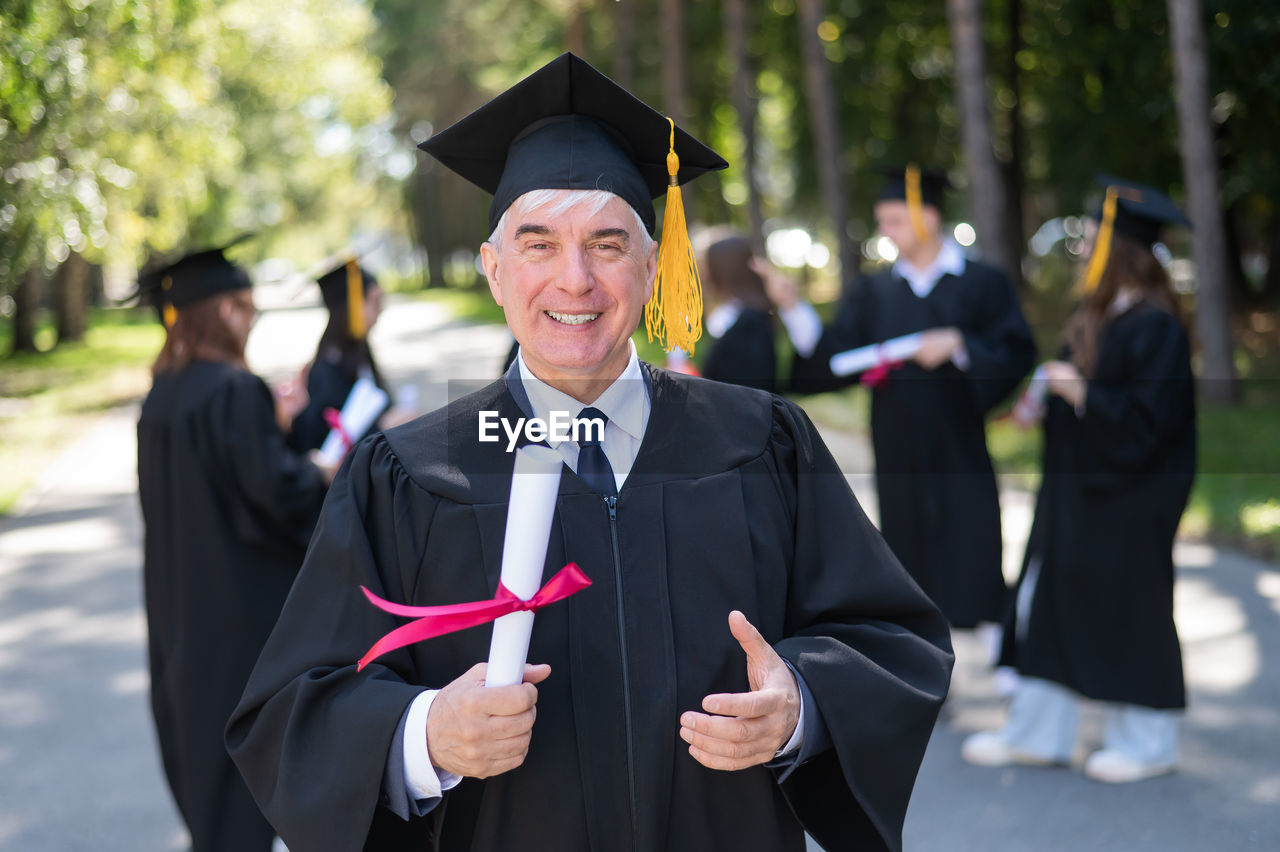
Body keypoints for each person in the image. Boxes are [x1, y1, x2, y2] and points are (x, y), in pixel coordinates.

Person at [227, 53, 952, 852]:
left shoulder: (760, 442)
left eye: (608, 244)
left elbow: (891, 639)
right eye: (538, 244)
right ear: (494, 272)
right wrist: (425, 734)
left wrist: (800, 707)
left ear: (652, 267)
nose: (575, 281)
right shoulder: (407, 473)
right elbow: (290, 711)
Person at [961, 177, 1196, 784]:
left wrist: (1082, 391)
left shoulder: (1156, 326)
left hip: (1130, 498)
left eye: (1091, 243)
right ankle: (1039, 733)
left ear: (1121, 252)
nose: (1082, 253)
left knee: (1130, 609)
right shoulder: (1095, 316)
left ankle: (1148, 743)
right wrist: (1046, 401)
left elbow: (1150, 425)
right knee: (1047, 599)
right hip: (1075, 492)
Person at [766, 166, 1036, 631]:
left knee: (972, 537)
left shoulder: (981, 281)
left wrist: (960, 346)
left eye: (893, 220)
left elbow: (1015, 349)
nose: (884, 231)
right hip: (897, 442)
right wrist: (793, 307)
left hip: (958, 439)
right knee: (905, 546)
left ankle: (995, 643)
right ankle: (921, 651)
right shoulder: (877, 290)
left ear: (928, 217)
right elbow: (835, 355)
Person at [136, 244, 333, 851]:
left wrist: (274, 425)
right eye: (245, 308)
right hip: (239, 619)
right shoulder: (233, 390)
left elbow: (215, 485)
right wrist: (321, 469)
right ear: (221, 311)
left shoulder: (162, 393)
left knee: (206, 779)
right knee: (252, 768)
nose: (251, 320)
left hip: (180, 616)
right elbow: (277, 495)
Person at [288, 259, 404, 453]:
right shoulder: (327, 368)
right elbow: (325, 443)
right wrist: (384, 426)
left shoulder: (358, 352)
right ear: (353, 307)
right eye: (375, 302)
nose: (381, 310)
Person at [697, 233, 778, 392]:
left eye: (706, 267)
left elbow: (753, 389)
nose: (702, 274)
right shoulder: (732, 317)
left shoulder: (750, 324)